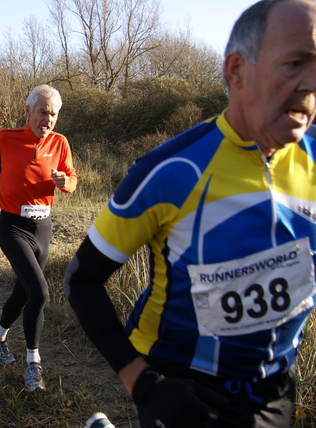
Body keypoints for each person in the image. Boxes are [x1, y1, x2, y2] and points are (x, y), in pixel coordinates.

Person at [63, 1, 316, 427]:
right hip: (184, 385)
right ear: (236, 71)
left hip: (274, 387)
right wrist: (143, 385)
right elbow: (81, 280)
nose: (311, 83)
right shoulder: (171, 171)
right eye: (295, 63)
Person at [0, 84, 78, 392]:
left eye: (53, 114)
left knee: (23, 291)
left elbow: (72, 177)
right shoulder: (7, 137)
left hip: (43, 226)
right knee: (40, 292)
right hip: (13, 226)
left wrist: (64, 182)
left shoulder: (60, 142)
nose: (48, 119)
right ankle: (33, 362)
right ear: (28, 111)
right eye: (43, 112)